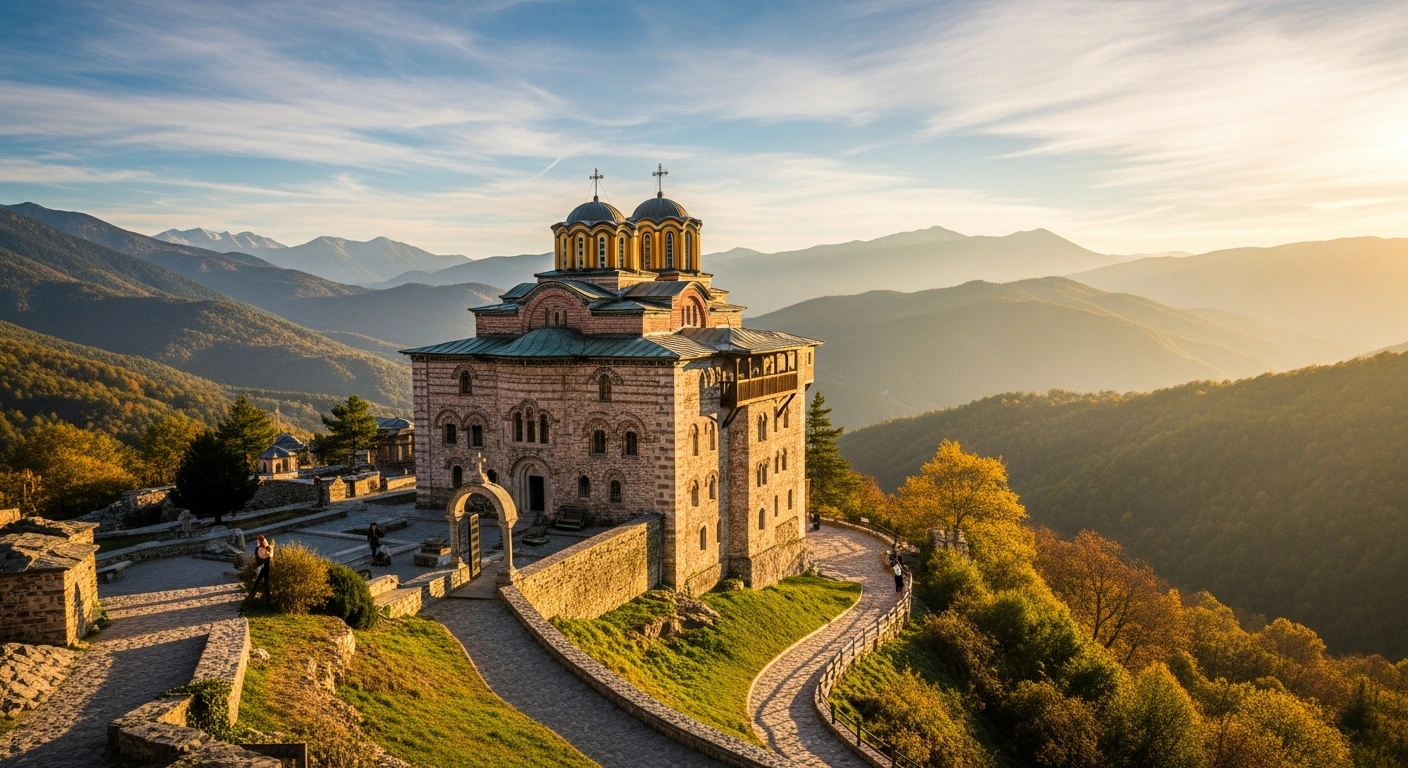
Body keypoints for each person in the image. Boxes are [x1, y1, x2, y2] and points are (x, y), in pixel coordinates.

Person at [252, 534, 274, 602]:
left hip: (260, 568)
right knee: (264, 584)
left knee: (258, 584)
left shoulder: (258, 549)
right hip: (264, 569)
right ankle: (267, 600)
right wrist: (271, 549)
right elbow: (269, 556)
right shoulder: (264, 549)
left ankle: (251, 598)